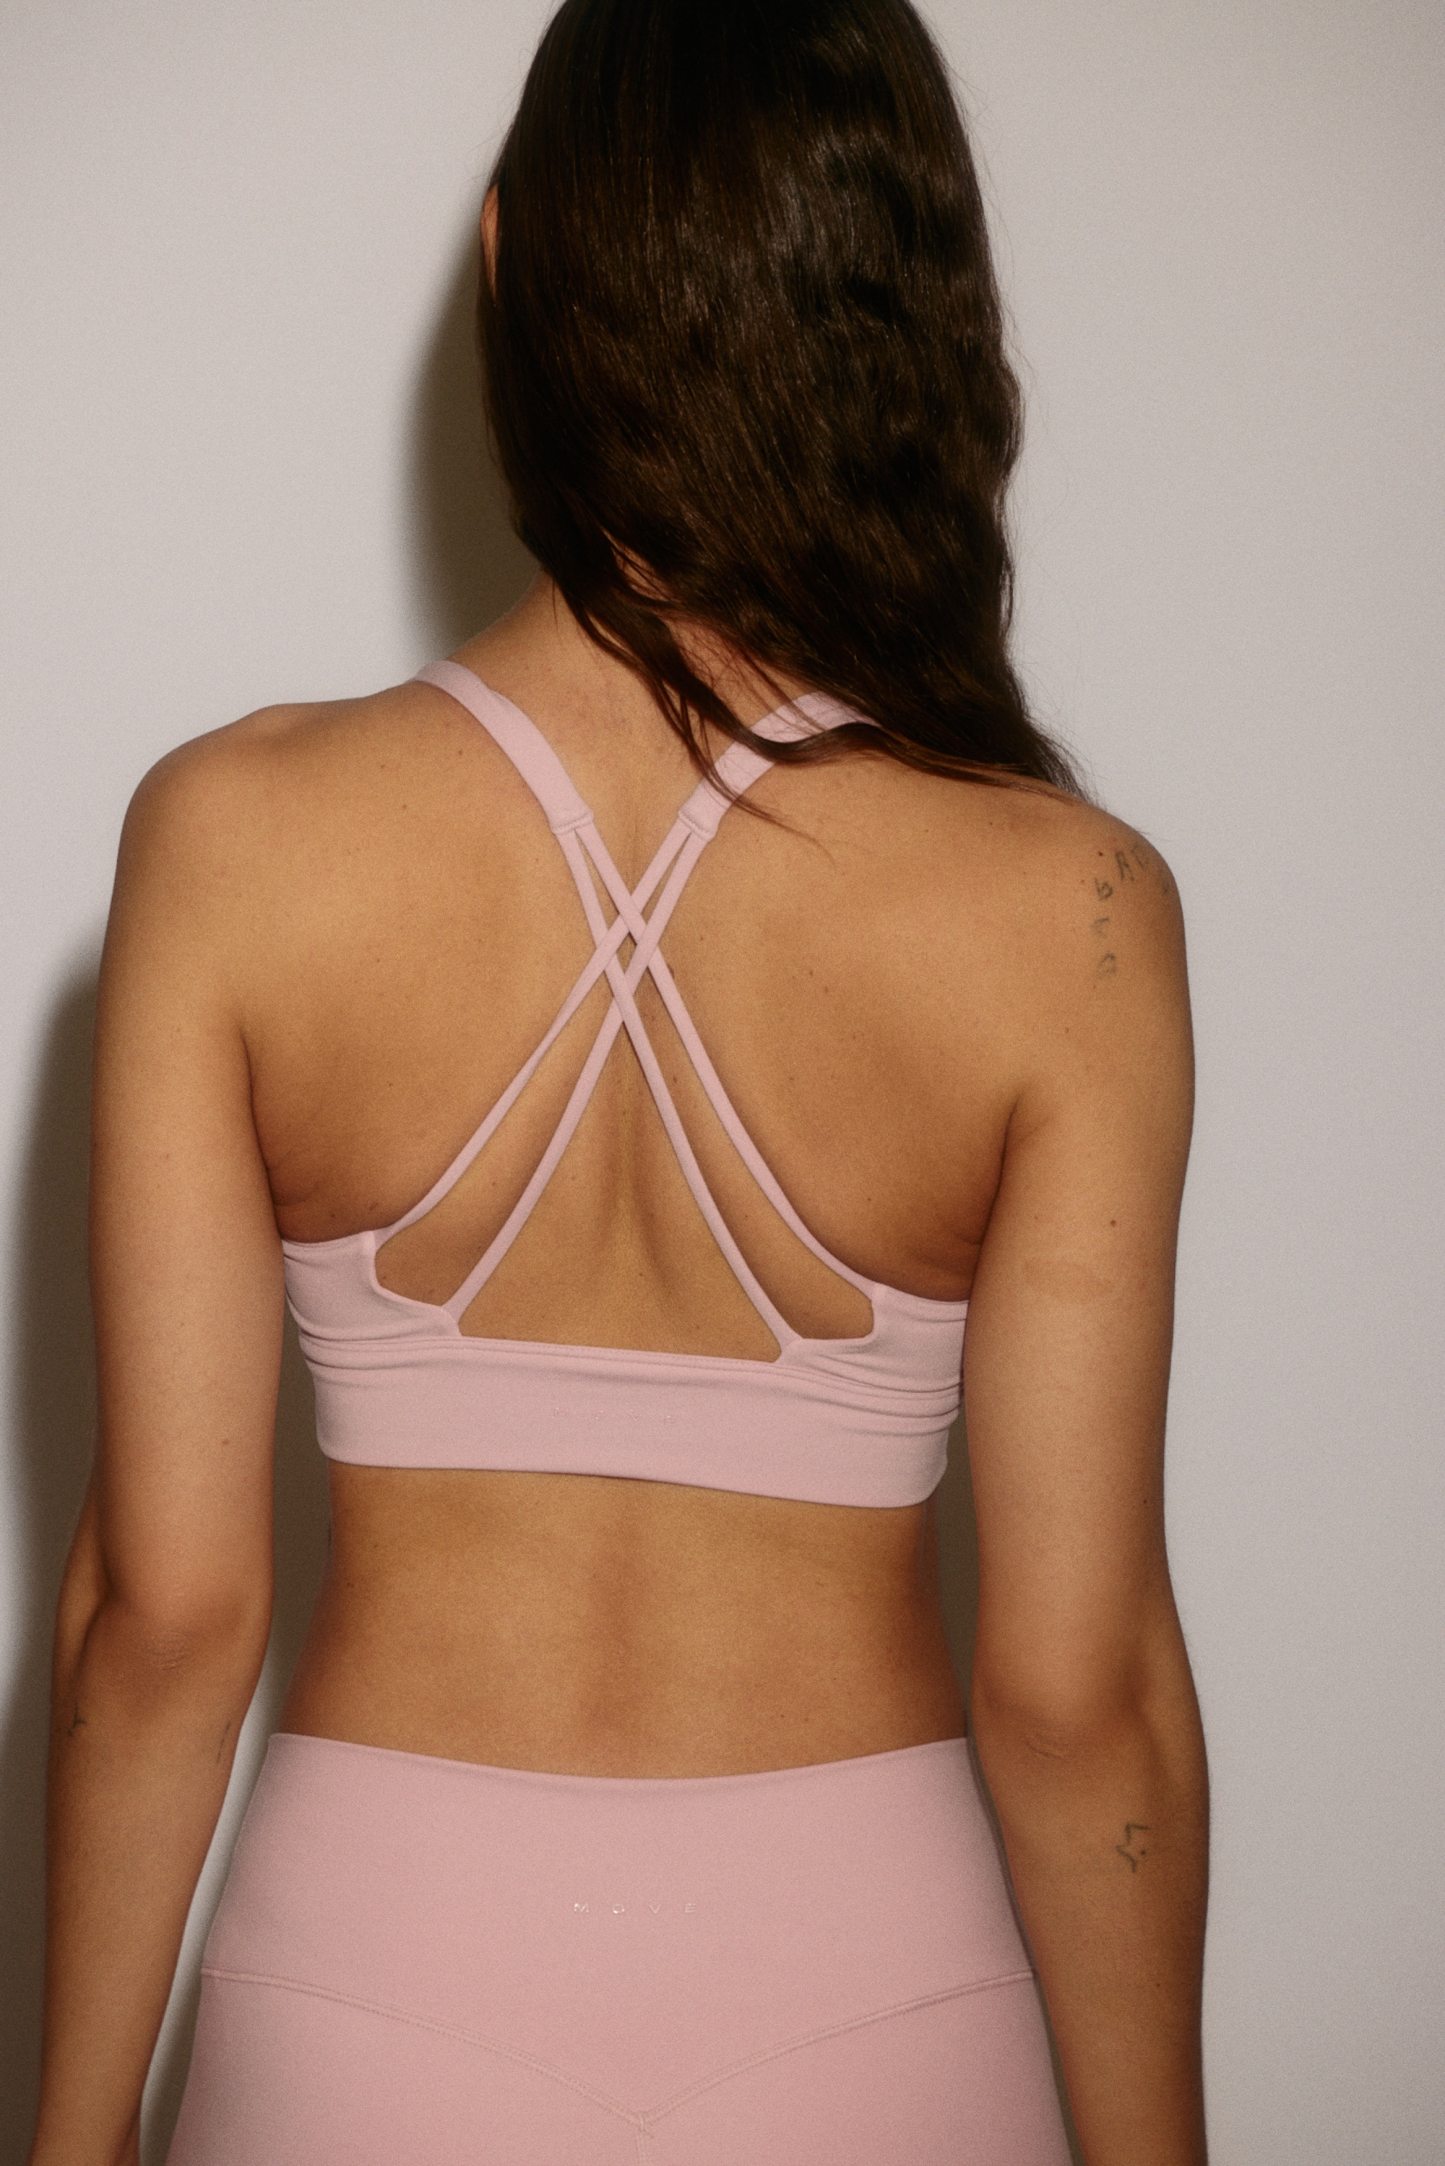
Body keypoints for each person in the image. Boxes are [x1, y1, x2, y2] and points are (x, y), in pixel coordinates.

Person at [27, 2, 1209, 2161]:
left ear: (506, 258)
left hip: (367, 1984)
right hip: (873, 1996)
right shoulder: (1073, 911)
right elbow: (1082, 1694)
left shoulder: (235, 841)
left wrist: (66, 2136)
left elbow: (160, 1615)